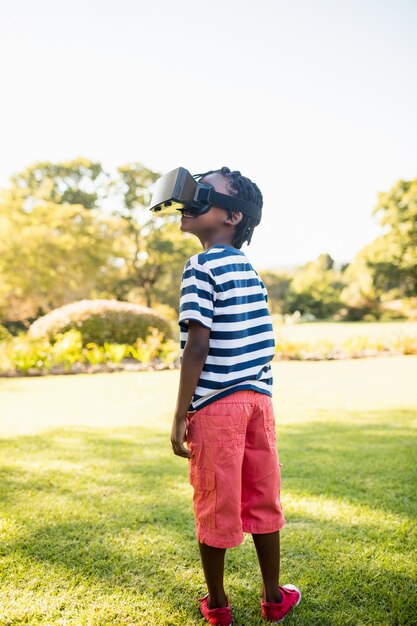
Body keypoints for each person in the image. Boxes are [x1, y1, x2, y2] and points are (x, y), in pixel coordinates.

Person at [171, 166, 301, 625]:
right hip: (258, 403)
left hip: (216, 405)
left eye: (202, 193)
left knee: (214, 502)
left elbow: (198, 346)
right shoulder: (250, 269)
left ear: (230, 216)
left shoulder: (199, 266)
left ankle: (219, 606)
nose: (189, 199)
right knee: (263, 497)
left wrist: (180, 414)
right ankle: (272, 597)